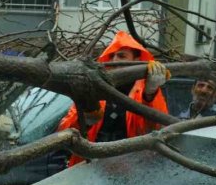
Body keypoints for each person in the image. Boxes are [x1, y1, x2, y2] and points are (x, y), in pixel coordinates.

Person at [58, 31, 170, 166]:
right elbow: (65, 131)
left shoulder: (147, 91)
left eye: (121, 56)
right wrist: (86, 120)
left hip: (132, 170)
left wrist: (150, 94)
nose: (114, 60)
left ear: (137, 60)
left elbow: (155, 129)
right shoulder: (94, 89)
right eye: (111, 56)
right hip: (89, 169)